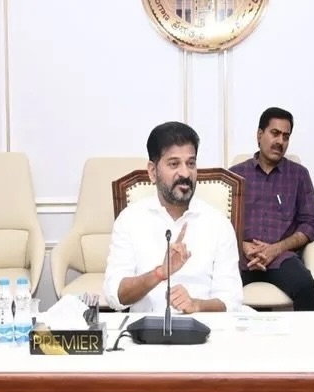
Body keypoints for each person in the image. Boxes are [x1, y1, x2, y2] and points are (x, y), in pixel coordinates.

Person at [104, 121, 243, 314]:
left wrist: (197, 305)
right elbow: (115, 296)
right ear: (153, 171)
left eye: (191, 163)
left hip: (205, 332)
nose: (185, 173)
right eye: (174, 164)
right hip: (146, 335)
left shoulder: (218, 223)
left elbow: (231, 300)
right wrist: (159, 273)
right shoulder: (130, 220)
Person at [229, 107, 314, 310]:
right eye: (275, 133)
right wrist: (243, 245)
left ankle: (310, 341)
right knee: (215, 290)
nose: (280, 141)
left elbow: (312, 224)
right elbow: (223, 221)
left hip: (281, 257)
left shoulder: (299, 175)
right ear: (260, 135)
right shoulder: (235, 175)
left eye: (286, 136)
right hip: (241, 258)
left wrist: (275, 249)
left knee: (305, 286)